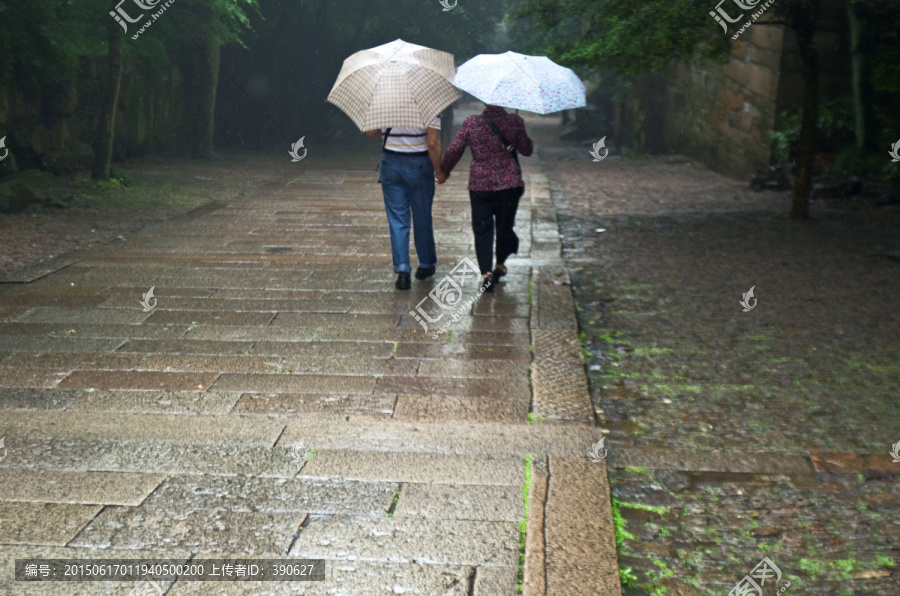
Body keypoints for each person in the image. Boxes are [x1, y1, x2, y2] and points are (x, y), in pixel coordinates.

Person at [440, 104, 533, 292]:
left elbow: (455, 149)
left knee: (482, 229)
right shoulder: (514, 122)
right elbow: (527, 150)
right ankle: (499, 263)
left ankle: (486, 273)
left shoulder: (472, 122)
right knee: (505, 226)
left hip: (480, 185)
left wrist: (444, 170)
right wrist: (516, 131)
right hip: (509, 185)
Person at [366, 118, 448, 290]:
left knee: (397, 219)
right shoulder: (430, 104)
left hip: (390, 163)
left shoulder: (386, 102)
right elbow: (432, 143)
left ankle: (403, 272)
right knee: (422, 216)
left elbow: (369, 132)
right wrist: (440, 171)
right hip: (419, 163)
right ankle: (425, 264)